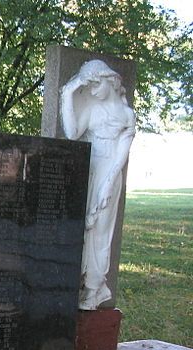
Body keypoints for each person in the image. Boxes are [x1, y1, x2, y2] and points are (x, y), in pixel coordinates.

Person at [60, 59, 136, 310]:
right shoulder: (92, 109)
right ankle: (74, 282)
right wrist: (68, 93)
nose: (92, 91)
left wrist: (108, 184)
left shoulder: (126, 115)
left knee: (99, 232)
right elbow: (72, 133)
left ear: (109, 80)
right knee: (80, 229)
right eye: (88, 87)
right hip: (88, 172)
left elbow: (120, 158)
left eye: (95, 85)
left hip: (108, 175)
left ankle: (94, 289)